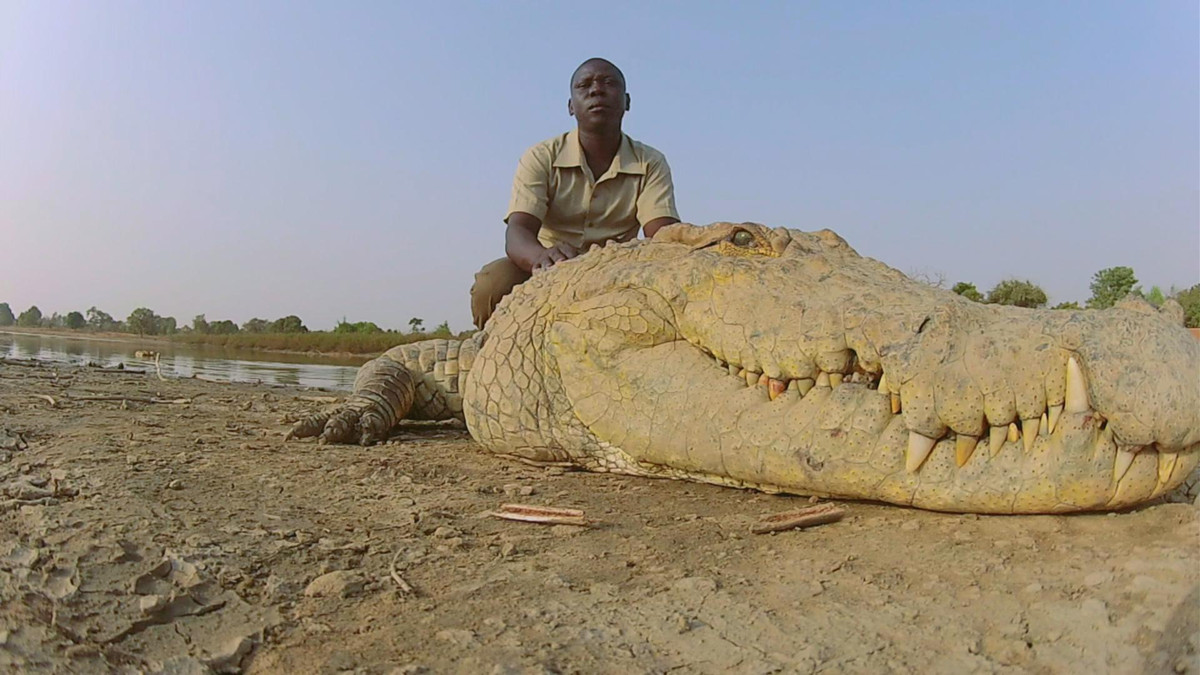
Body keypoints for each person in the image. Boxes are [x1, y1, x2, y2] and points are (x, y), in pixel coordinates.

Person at [469, 57, 681, 329]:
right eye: (584, 85)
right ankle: (491, 350)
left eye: (609, 83)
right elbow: (518, 231)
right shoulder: (541, 156)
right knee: (493, 282)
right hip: (546, 267)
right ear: (571, 106)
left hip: (615, 272)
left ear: (627, 101)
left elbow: (663, 236)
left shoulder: (651, 162)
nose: (596, 90)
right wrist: (541, 258)